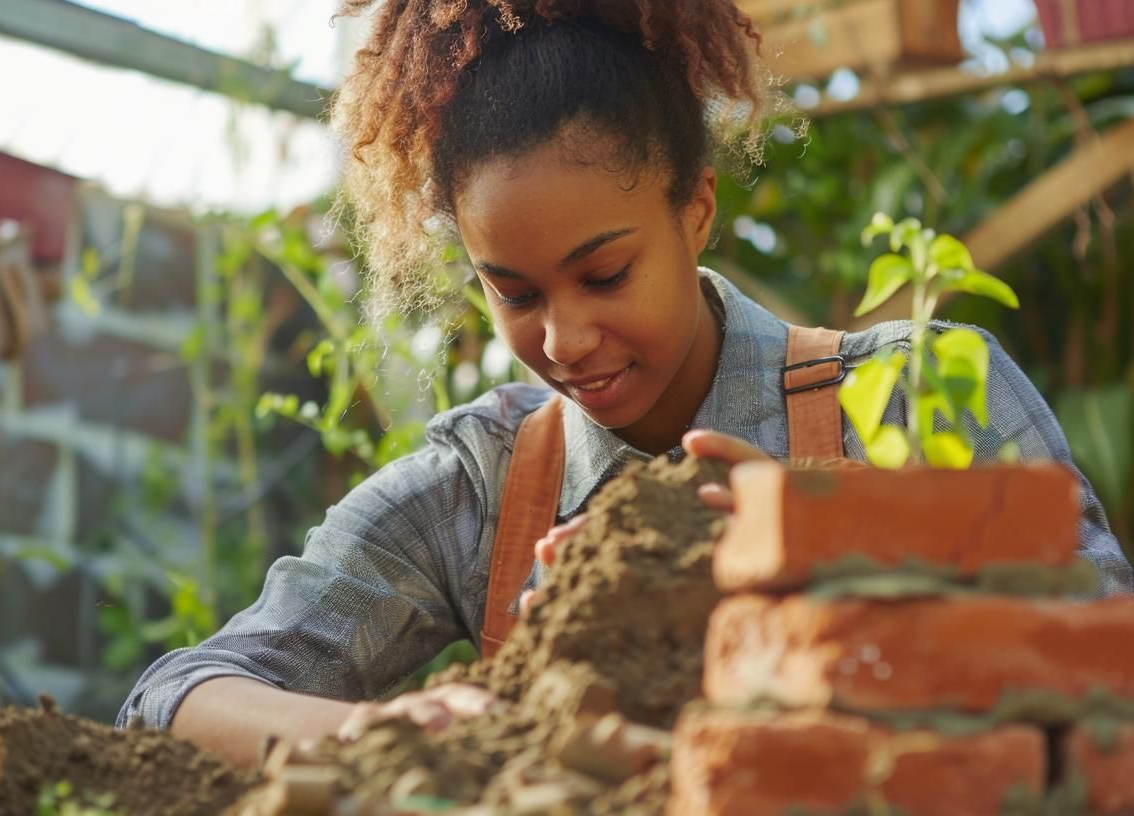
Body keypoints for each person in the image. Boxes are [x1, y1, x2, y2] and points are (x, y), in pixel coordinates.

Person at [118, 0, 1134, 766]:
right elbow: (178, 695)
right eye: (511, 293)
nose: (562, 339)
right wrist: (387, 726)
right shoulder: (481, 487)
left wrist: (849, 564)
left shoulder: (916, 397)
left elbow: (1107, 672)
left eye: (605, 275)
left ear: (694, 212)